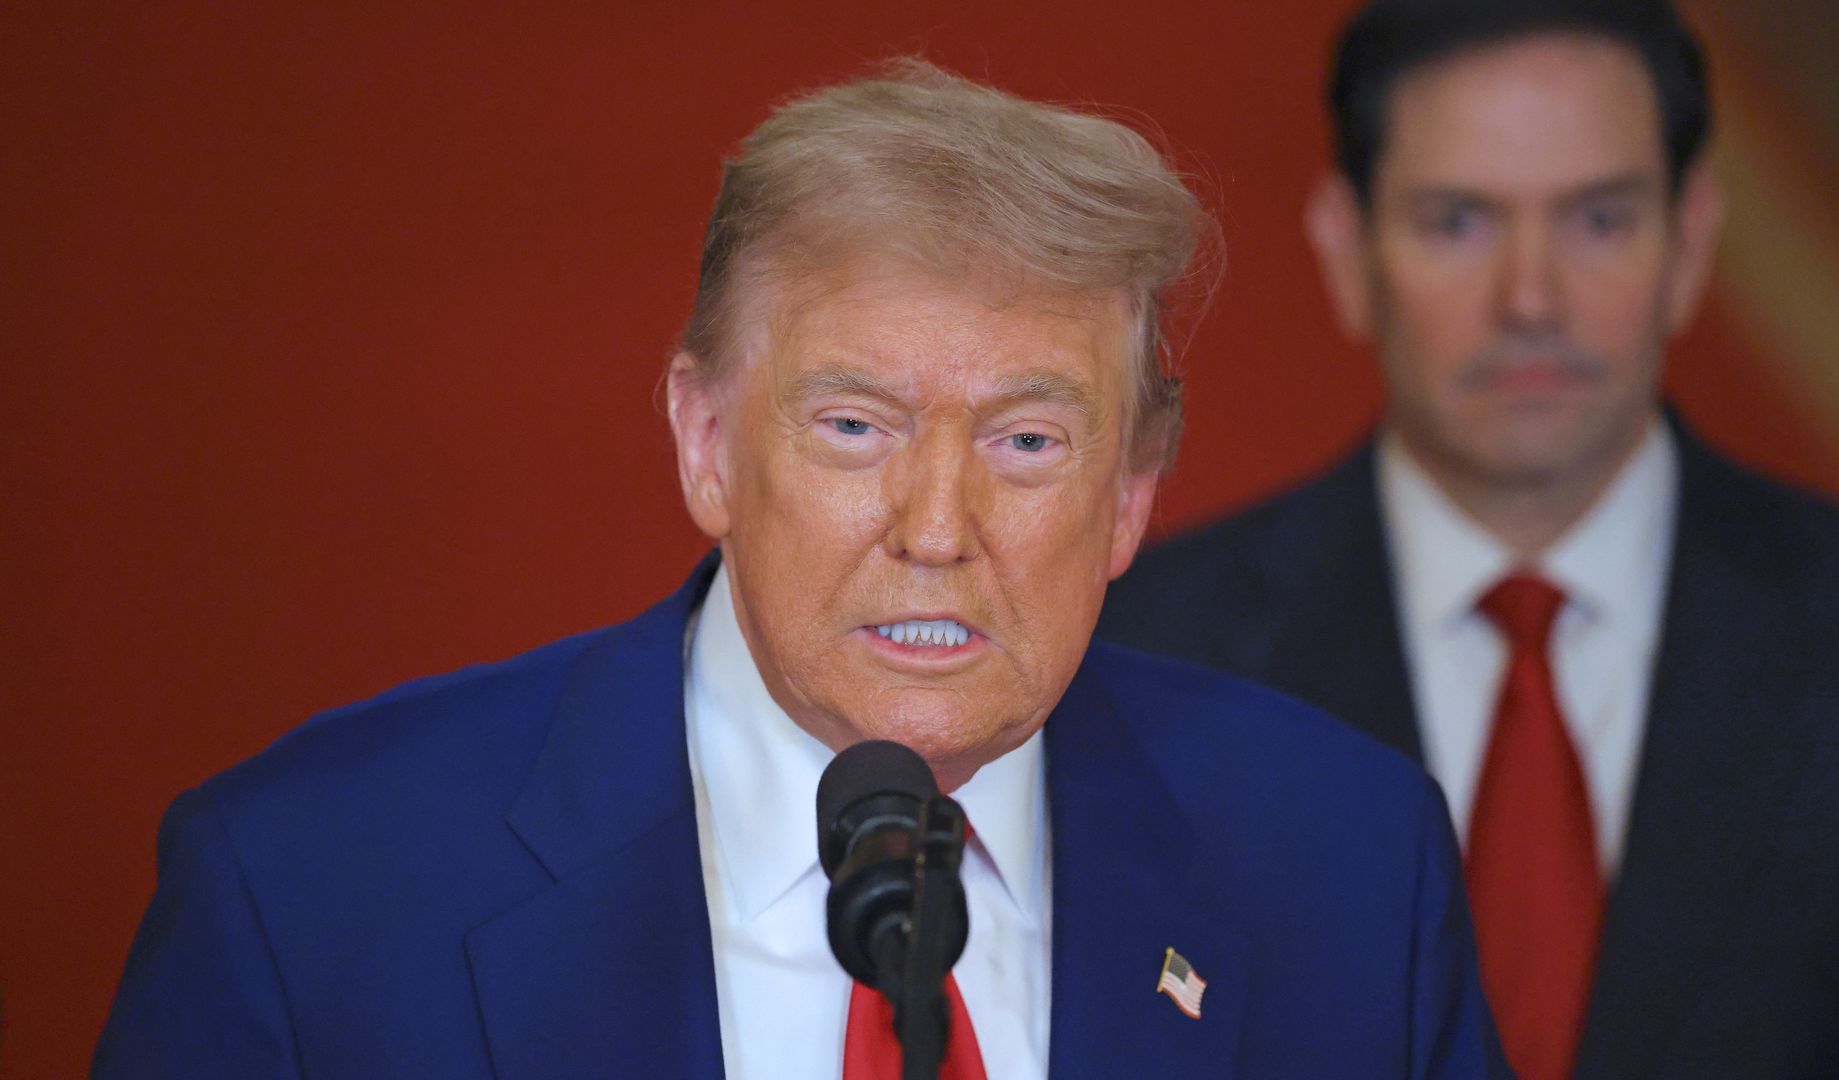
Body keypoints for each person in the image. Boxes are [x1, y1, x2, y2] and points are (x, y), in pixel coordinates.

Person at [93, 61, 1509, 1078]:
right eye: (854, 426)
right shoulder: (307, 892)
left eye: (1027, 441)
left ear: (1132, 494)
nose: (937, 529)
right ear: (707, 443)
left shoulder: (1346, 866)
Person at [1099, 2, 1839, 1078]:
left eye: (1599, 220)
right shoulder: (1142, 659)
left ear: (1690, 244)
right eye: (1458, 223)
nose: (1531, 299)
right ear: (1348, 253)